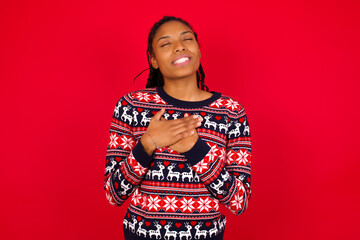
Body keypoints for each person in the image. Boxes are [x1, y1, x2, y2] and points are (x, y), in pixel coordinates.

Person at [104, 16, 252, 240]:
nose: (179, 46)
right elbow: (113, 194)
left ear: (199, 51)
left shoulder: (231, 111)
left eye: (187, 39)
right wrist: (147, 144)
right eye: (165, 43)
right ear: (153, 60)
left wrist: (195, 149)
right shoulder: (131, 106)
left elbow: (239, 201)